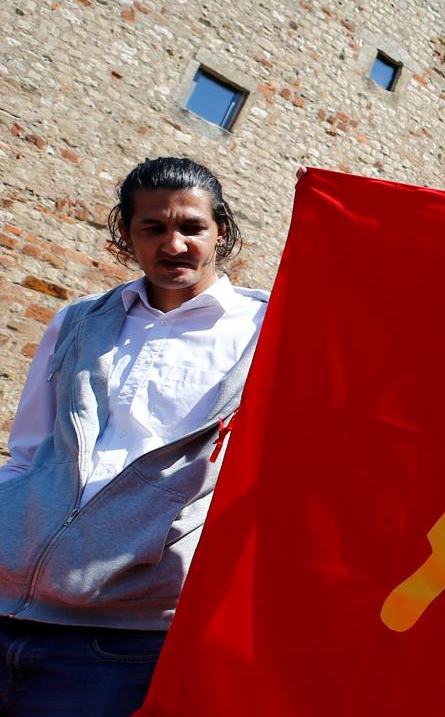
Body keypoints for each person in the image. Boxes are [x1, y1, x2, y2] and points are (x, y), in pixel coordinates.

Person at [0, 157, 268, 715]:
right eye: (153, 228)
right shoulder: (77, 321)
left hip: (128, 636)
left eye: (192, 227)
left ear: (221, 230)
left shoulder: (267, 330)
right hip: (7, 604)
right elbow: (27, 453)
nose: (174, 245)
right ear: (127, 232)